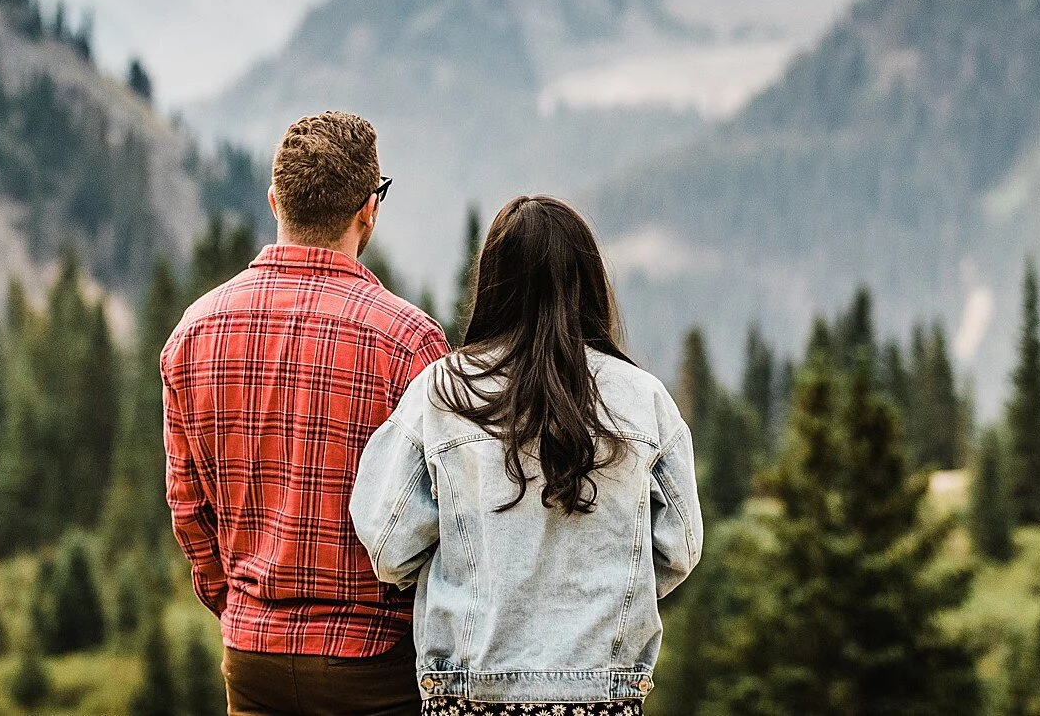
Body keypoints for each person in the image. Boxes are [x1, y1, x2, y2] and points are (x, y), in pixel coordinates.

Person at [350, 195, 702, 714]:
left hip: (468, 695)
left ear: (493, 284)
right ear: (590, 283)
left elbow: (387, 543)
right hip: (603, 696)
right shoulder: (645, 402)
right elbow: (680, 547)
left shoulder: (442, 394)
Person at [162, 111, 449, 716]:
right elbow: (443, 520)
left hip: (252, 660)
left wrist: (242, 608)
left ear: (274, 201)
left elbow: (189, 512)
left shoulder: (194, 333)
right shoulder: (410, 343)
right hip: (373, 663)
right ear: (369, 208)